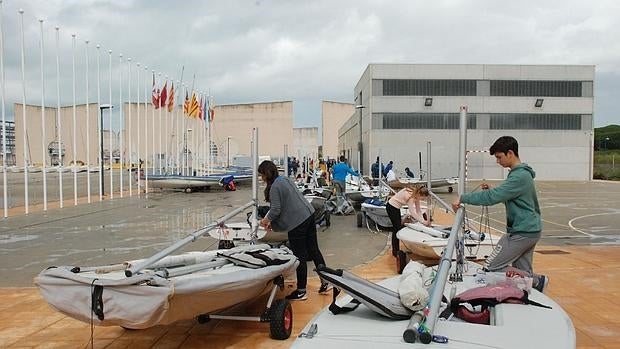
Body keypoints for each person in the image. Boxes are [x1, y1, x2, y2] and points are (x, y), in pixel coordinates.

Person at [451, 136, 548, 293]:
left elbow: (492, 198)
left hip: (522, 232)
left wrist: (463, 198)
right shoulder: (520, 174)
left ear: (510, 153)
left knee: (491, 268)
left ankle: (538, 281)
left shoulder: (519, 176)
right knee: (523, 272)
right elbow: (511, 198)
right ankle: (533, 287)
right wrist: (495, 190)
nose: (497, 161)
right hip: (530, 230)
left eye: (499, 157)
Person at [258, 160, 331, 300]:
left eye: (261, 175)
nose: (261, 178)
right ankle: (326, 281)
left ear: (266, 174)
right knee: (314, 250)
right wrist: (272, 222)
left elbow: (275, 210)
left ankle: (302, 291)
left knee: (300, 256)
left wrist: (265, 221)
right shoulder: (284, 179)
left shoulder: (274, 187)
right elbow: (287, 204)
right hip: (308, 214)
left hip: (297, 222)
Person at [386, 185, 431, 256]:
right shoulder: (410, 197)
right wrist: (423, 221)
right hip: (391, 206)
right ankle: (395, 251)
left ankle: (397, 250)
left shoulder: (416, 195)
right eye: (423, 198)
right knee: (396, 228)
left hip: (396, 207)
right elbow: (413, 212)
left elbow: (418, 210)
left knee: (398, 227)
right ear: (419, 194)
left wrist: (423, 221)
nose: (422, 200)